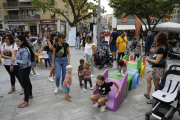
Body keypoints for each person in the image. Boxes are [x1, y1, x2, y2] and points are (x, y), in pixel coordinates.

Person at [144, 32, 170, 104]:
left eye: (156, 38)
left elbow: (157, 61)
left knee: (156, 84)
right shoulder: (163, 47)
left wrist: (148, 59)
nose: (155, 40)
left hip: (158, 68)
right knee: (148, 79)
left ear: (160, 40)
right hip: (157, 68)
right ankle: (148, 94)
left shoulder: (162, 49)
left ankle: (154, 99)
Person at [15, 35, 35, 108]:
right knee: (28, 82)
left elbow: (24, 61)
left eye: (18, 41)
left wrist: (15, 59)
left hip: (25, 68)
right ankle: (30, 95)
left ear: (22, 41)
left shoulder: (24, 49)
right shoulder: (23, 48)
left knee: (25, 84)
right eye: (16, 40)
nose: (16, 42)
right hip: (26, 68)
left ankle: (26, 102)